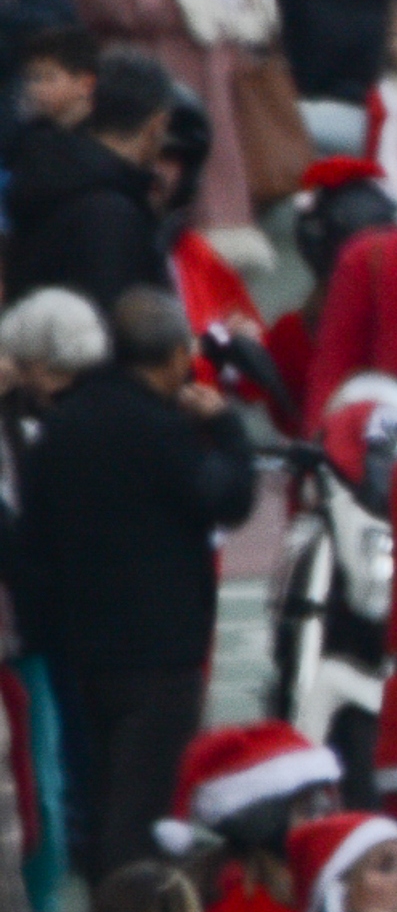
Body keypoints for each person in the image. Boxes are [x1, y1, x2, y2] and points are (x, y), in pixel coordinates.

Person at [20, 293, 258, 880]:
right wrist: (227, 428)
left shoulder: (61, 428)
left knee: (101, 794)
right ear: (178, 356)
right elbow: (227, 496)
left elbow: (34, 539)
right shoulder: (158, 430)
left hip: (83, 647)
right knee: (142, 812)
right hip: (159, 650)